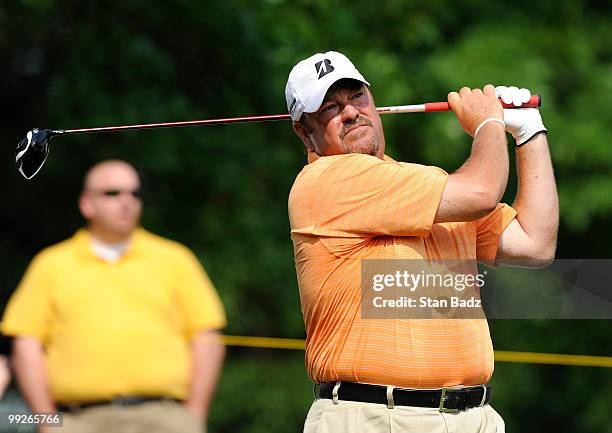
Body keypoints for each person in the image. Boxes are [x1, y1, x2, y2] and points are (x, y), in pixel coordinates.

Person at [286, 51, 558, 432]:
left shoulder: (420, 184)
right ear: (304, 130)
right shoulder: (326, 182)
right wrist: (488, 124)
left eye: (357, 98)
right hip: (376, 416)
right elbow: (482, 191)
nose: (350, 113)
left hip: (472, 417)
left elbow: (536, 242)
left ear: (373, 101)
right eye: (330, 107)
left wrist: (530, 133)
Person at [1, 160, 226, 433]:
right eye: (112, 193)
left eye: (135, 193)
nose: (126, 202)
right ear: (86, 203)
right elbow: (25, 345)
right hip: (75, 420)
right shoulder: (51, 265)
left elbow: (208, 338)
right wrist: (47, 422)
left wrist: (194, 415)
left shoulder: (175, 259)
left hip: (165, 418)